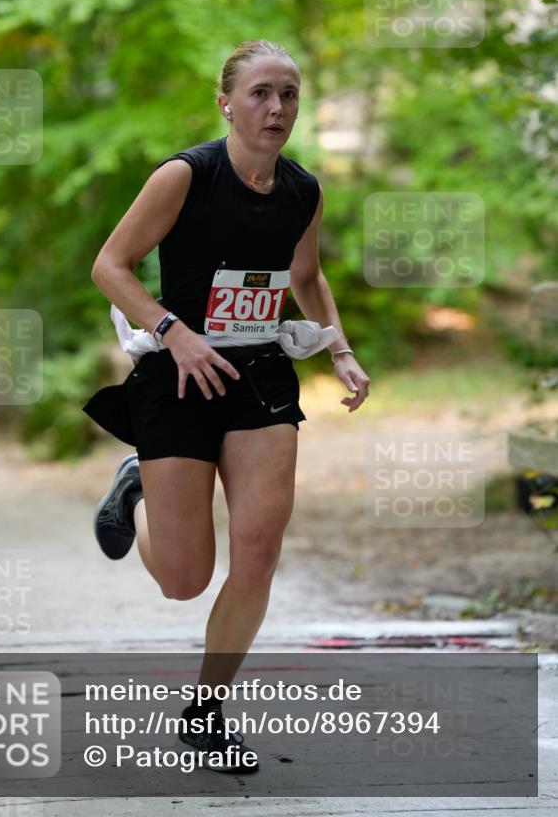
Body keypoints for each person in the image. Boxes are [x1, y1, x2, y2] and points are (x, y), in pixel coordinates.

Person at [83, 39, 370, 773]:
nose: (276, 108)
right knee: (183, 579)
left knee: (257, 555)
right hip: (179, 376)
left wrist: (337, 349)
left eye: (289, 94)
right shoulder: (186, 175)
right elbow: (110, 267)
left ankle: (207, 712)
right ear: (226, 103)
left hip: (262, 381)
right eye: (260, 93)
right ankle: (137, 485)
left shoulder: (301, 190)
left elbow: (306, 274)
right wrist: (174, 334)